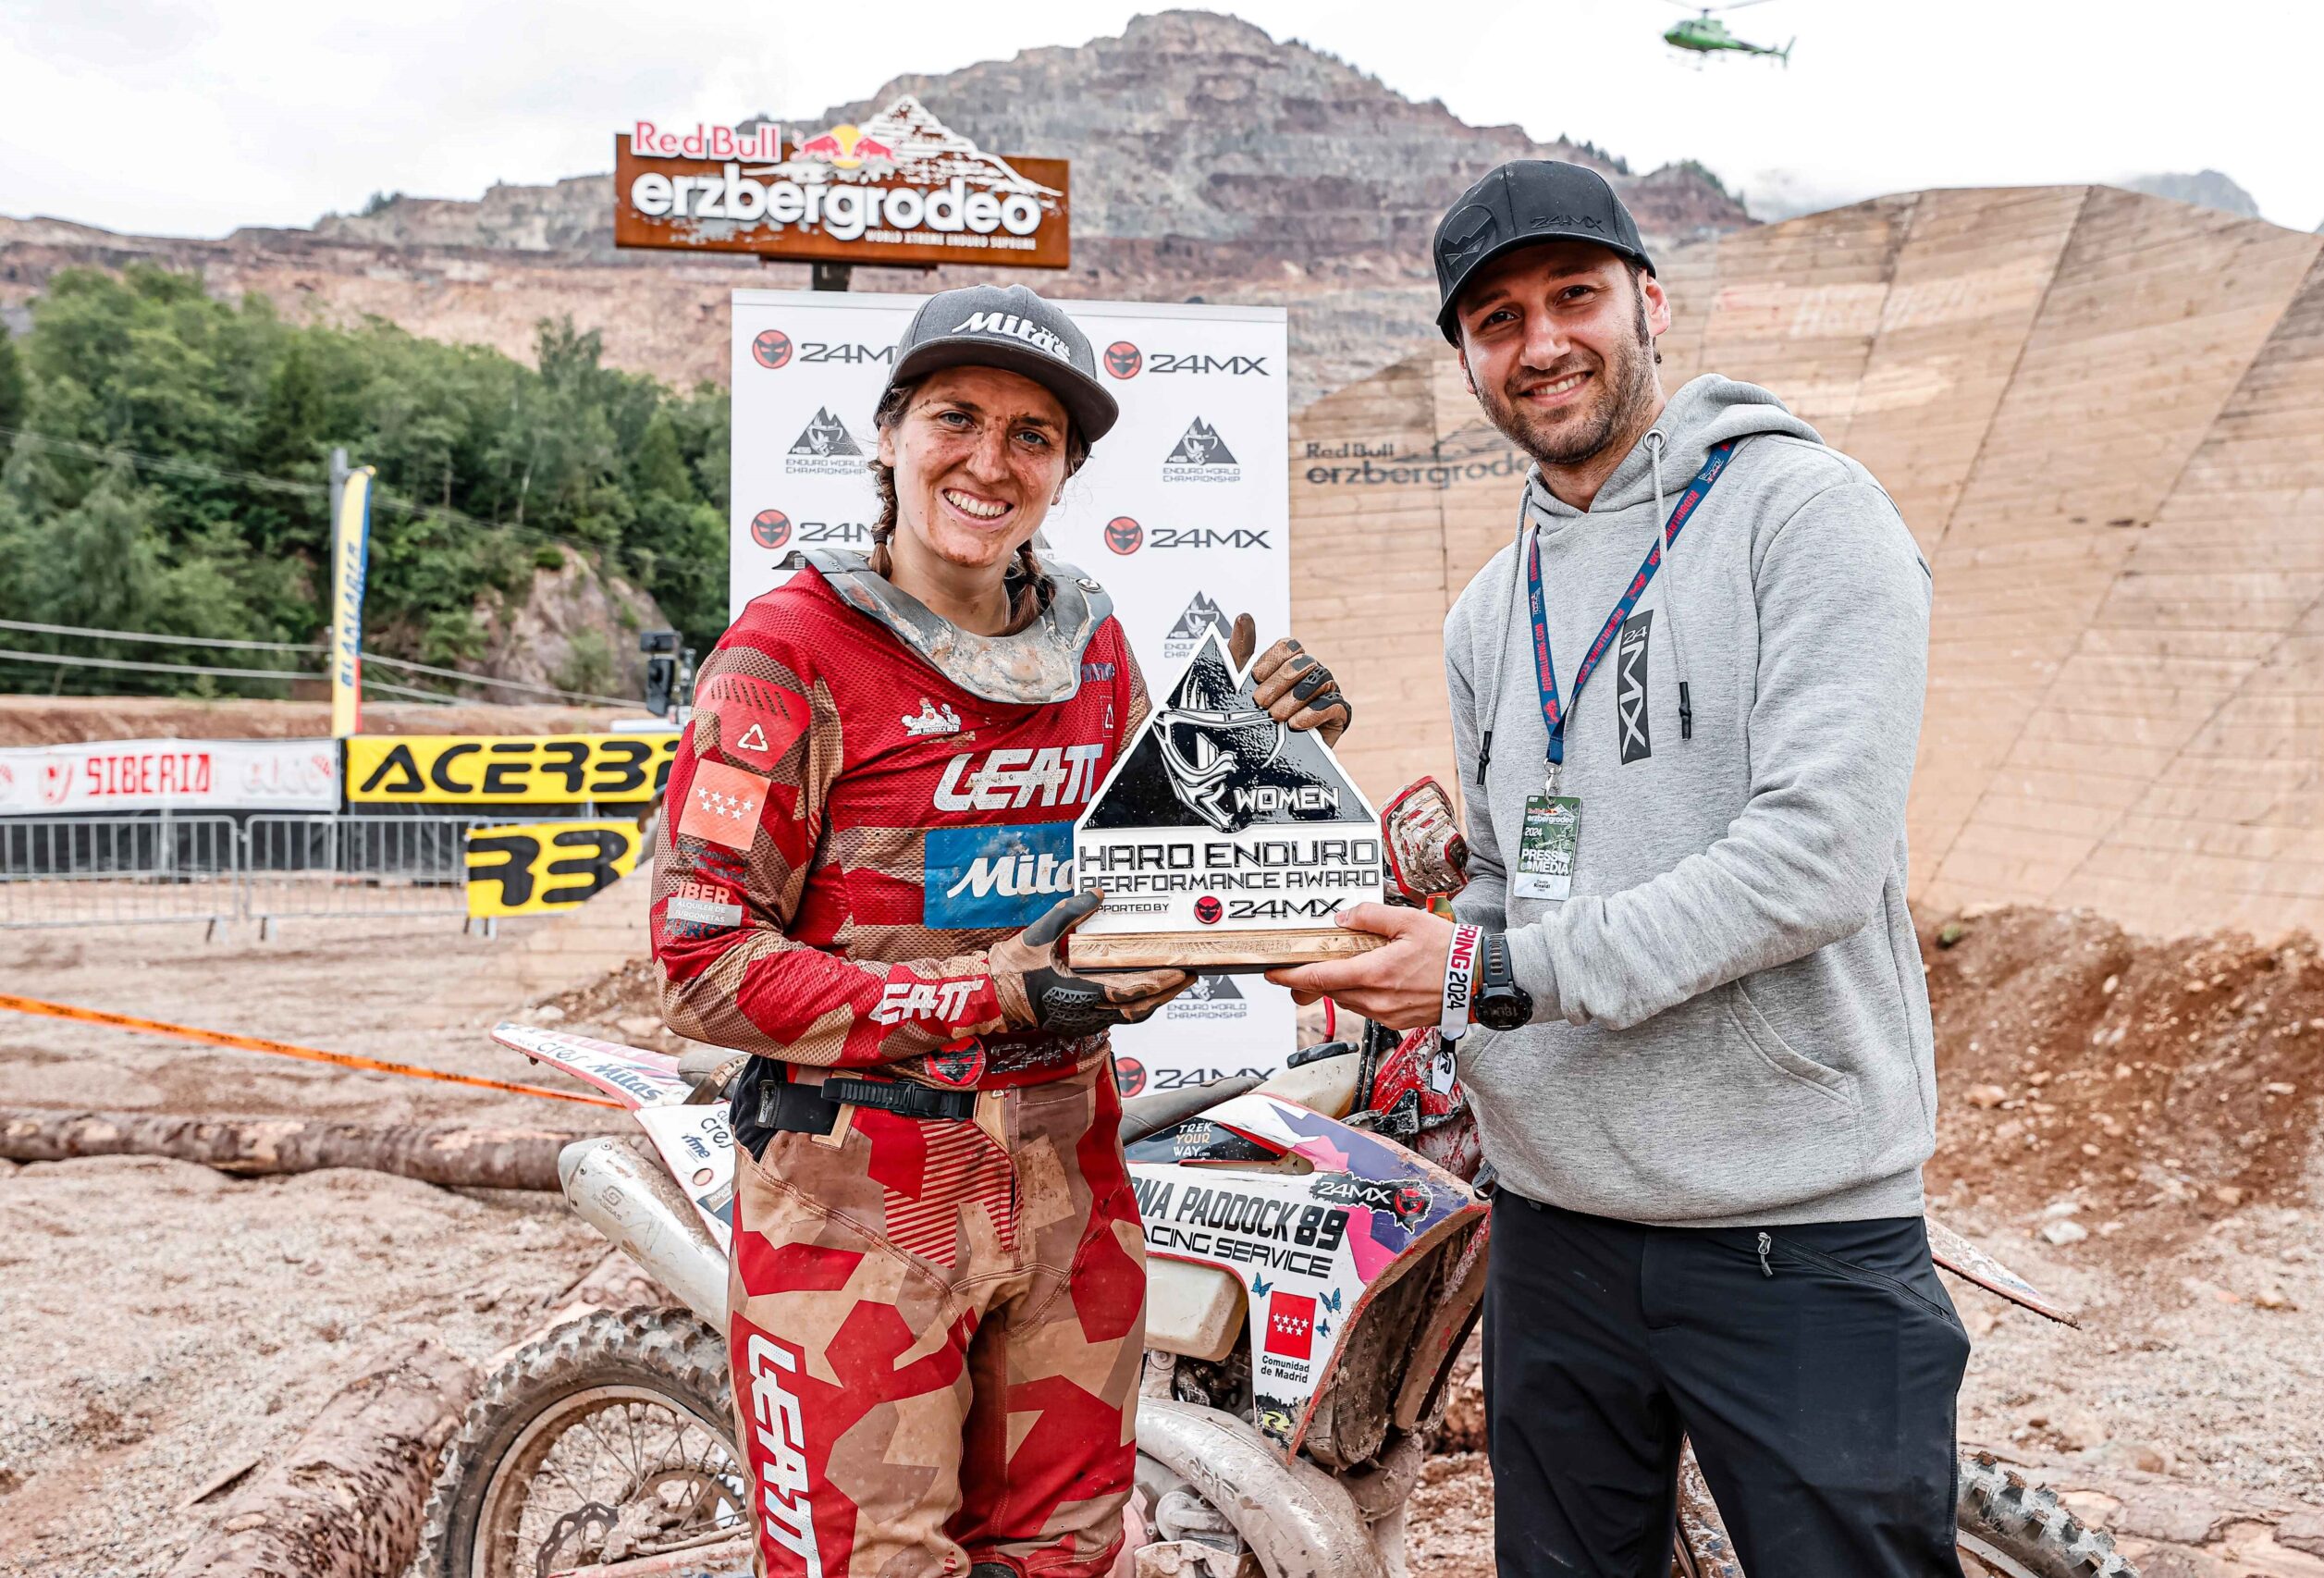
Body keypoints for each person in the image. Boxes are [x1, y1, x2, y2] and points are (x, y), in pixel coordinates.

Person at [1270, 161, 1961, 1577]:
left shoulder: (1805, 513)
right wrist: (1418, 962)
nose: (1540, 344)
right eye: (1497, 320)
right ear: (1466, 358)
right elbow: (1499, 884)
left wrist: (1486, 970)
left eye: (1572, 296)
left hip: (1792, 1229)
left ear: (1651, 302)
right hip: (1556, 1230)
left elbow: (1815, 860)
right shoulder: (1489, 610)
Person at [649, 282, 1348, 1578]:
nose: (990, 460)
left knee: (1067, 1556)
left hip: (1069, 1177)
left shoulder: (1097, 650)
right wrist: (992, 993)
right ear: (889, 433)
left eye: (1034, 436)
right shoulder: (786, 654)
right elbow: (701, 968)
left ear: (1065, 470)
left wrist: (1262, 756)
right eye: (956, 418)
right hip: (858, 1193)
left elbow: (1153, 882)